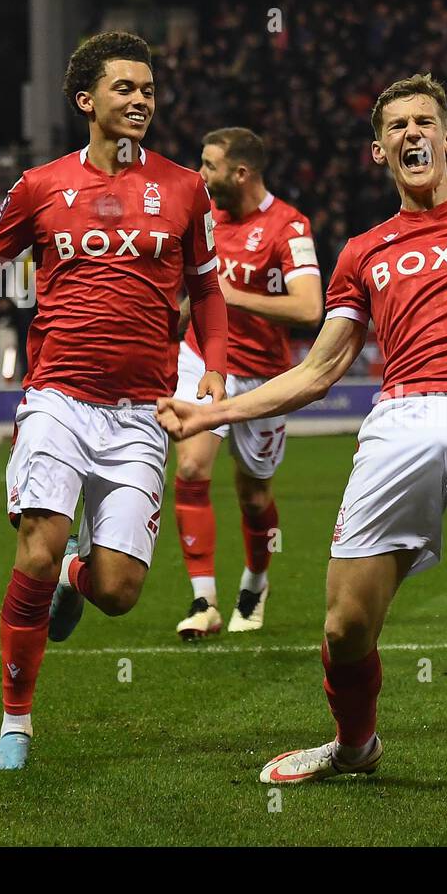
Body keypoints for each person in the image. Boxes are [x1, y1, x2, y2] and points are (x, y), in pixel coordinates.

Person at [157, 73, 447, 820]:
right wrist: (207, 415)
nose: (412, 133)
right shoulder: (363, 250)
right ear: (379, 149)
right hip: (400, 421)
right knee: (345, 626)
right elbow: (319, 370)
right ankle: (356, 745)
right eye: (397, 126)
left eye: (426, 121)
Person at [0, 31, 227, 771]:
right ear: (87, 101)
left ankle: (81, 574)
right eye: (125, 89)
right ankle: (16, 725)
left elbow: (206, 286)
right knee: (36, 549)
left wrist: (216, 369)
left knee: (120, 591)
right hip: (58, 398)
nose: (140, 100)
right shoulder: (40, 186)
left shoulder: (184, 188)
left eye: (148, 89)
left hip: (141, 411)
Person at [172, 128, 323, 638]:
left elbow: (309, 307)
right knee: (191, 466)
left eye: (209, 165)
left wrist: (233, 296)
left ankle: (256, 581)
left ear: (240, 173)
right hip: (203, 360)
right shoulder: (205, 218)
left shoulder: (289, 225)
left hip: (264, 377)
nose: (201, 174)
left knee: (253, 495)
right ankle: (203, 602)